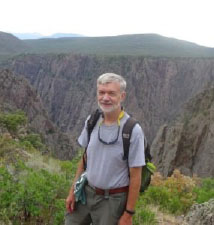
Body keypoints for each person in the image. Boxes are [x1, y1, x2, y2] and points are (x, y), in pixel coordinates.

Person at [65, 73, 145, 225]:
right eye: (101, 92)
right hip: (85, 192)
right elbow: (85, 159)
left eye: (111, 93)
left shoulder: (133, 130)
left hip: (112, 201)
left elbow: (136, 176)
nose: (105, 98)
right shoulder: (92, 121)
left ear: (122, 96)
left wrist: (128, 213)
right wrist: (72, 191)